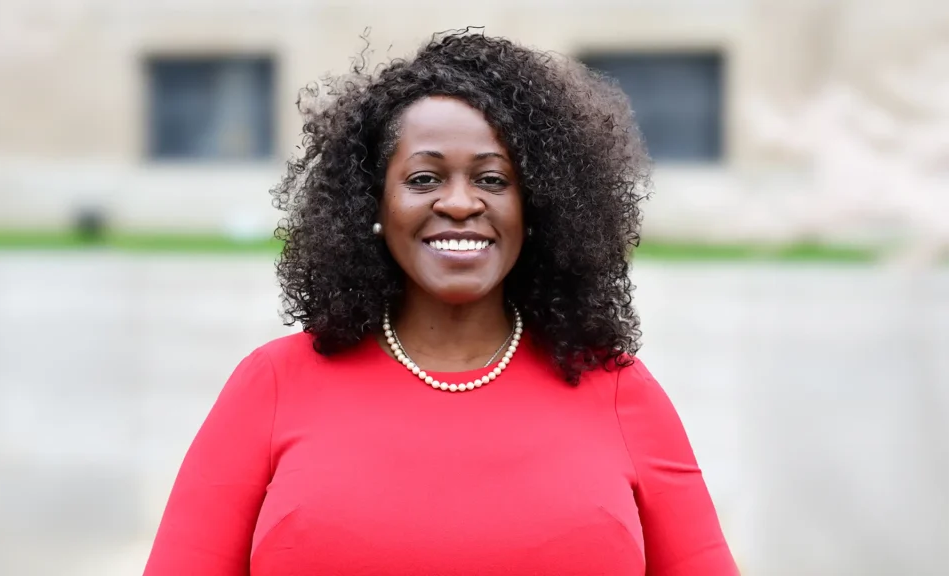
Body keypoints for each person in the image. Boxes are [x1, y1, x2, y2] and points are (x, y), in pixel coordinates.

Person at [143, 31, 739, 576]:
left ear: (537, 206)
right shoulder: (273, 385)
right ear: (373, 205)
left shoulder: (620, 393)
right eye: (424, 179)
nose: (459, 203)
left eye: (493, 180)